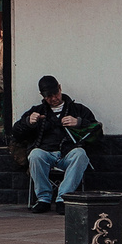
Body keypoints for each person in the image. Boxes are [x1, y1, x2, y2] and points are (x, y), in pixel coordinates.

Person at [14, 75, 100, 214]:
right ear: (42, 95)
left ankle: (63, 198)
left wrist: (78, 123)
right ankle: (43, 199)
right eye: (49, 96)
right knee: (35, 154)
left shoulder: (78, 109)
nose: (54, 98)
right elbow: (16, 133)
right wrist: (28, 122)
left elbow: (97, 132)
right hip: (46, 152)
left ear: (60, 88)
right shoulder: (37, 110)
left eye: (56, 94)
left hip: (68, 153)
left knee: (80, 154)